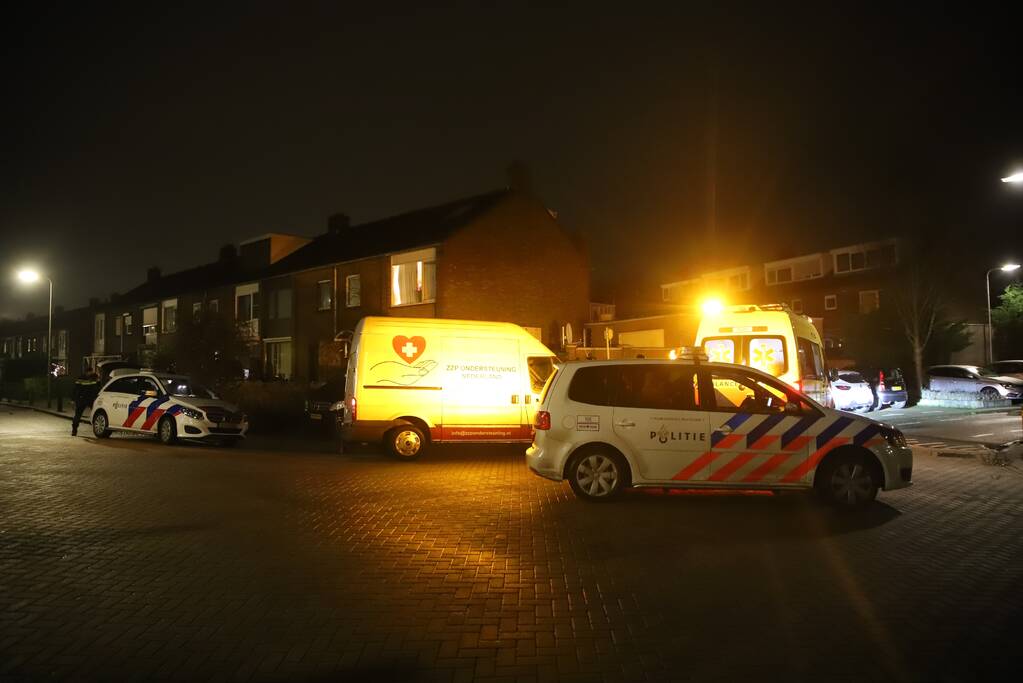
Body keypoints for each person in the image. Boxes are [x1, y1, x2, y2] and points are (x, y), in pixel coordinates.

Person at [71, 371, 100, 436]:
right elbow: (98, 389)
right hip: (90, 399)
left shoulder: (80, 379)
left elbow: (75, 389)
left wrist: (73, 399)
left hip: (81, 399)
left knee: (77, 415)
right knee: (97, 413)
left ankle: (74, 430)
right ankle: (98, 428)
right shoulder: (94, 380)